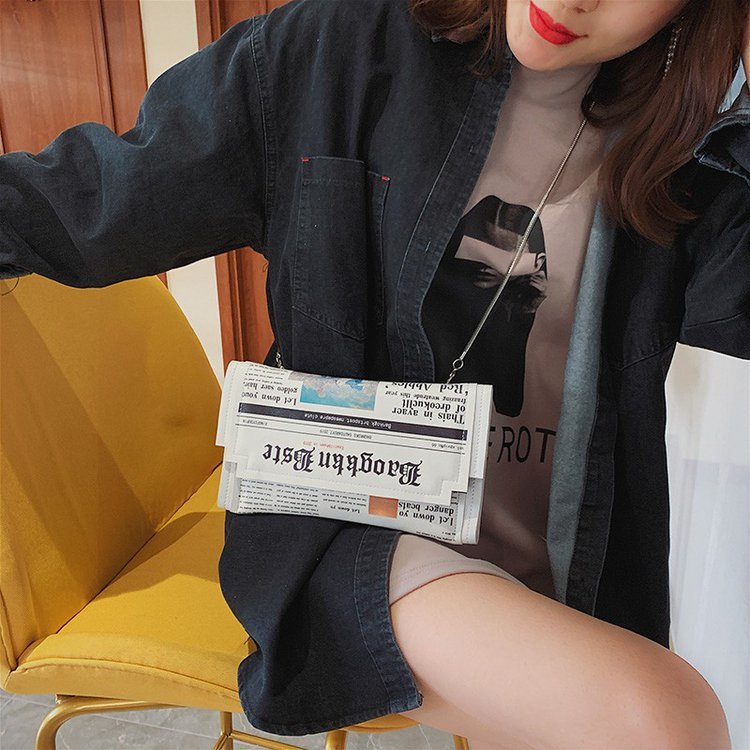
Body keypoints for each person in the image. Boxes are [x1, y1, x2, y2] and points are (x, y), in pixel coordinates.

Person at [1, 0, 747, 747]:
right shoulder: (335, 50)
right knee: (663, 721)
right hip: (352, 522)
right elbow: (93, 202)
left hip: (577, 540)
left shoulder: (700, 142)